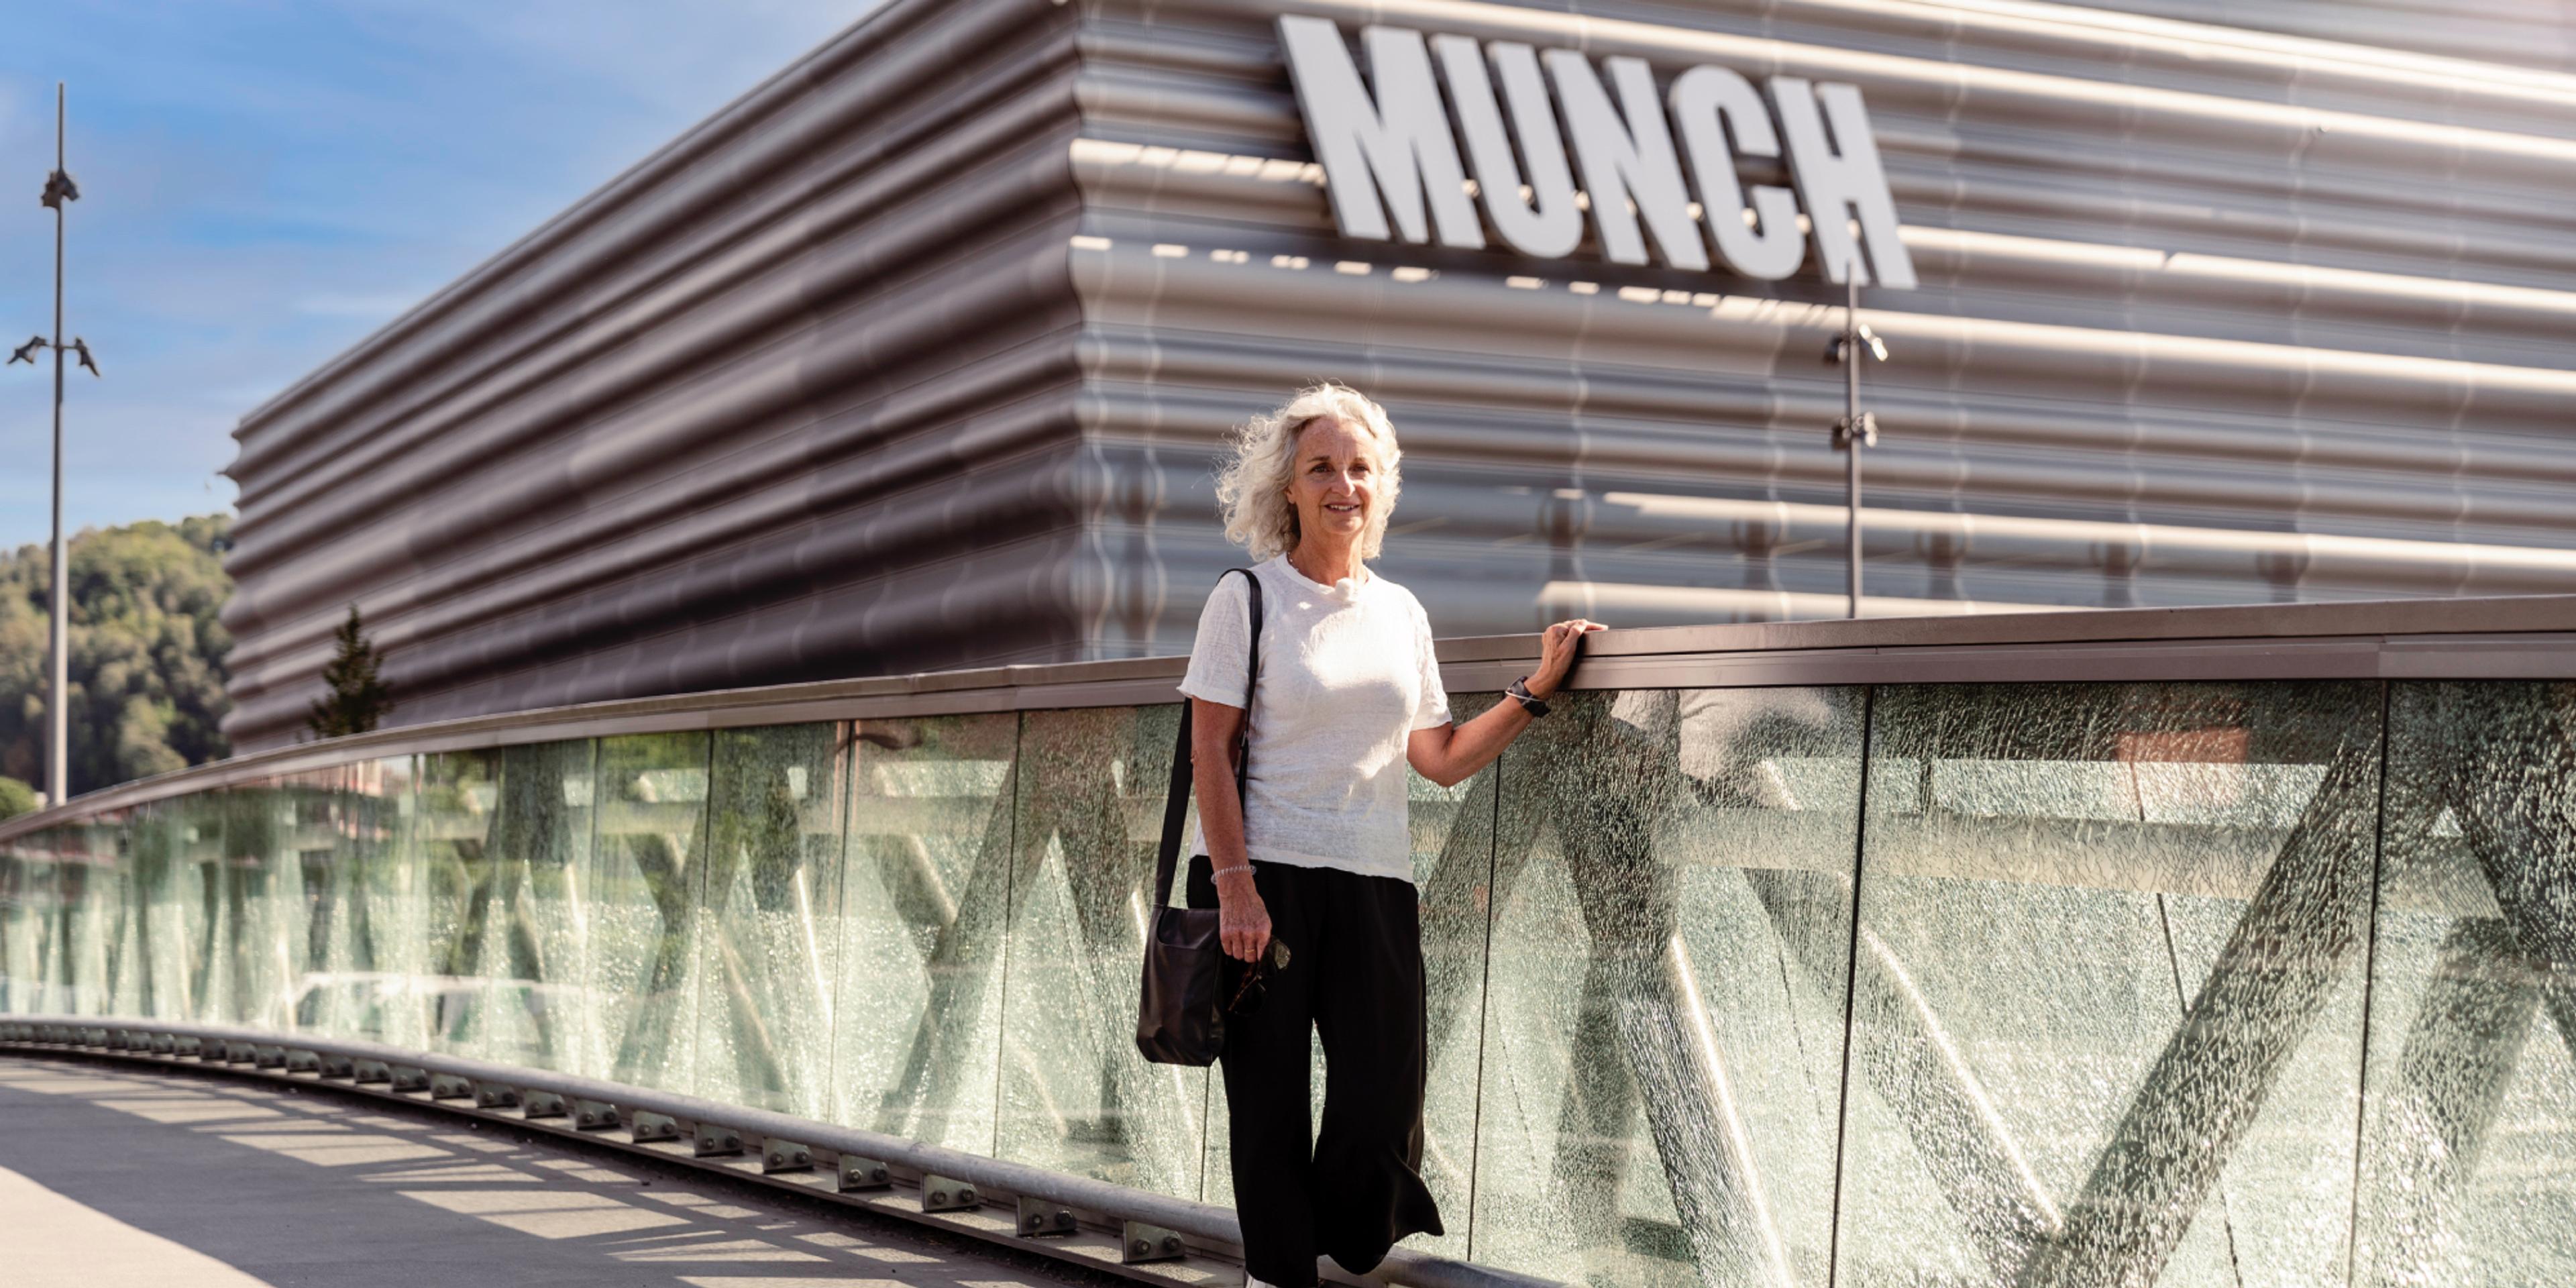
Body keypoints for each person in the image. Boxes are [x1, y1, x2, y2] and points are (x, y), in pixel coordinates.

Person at [1178, 382, 1601, 1288]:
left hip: (1376, 883)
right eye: (1321, 467)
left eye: (1360, 468)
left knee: (1381, 1104)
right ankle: (1278, 1274)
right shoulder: (1247, 599)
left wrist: (1534, 690)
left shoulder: (1401, 612)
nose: (1344, 485)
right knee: (1269, 1105)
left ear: (1383, 486)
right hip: (1271, 880)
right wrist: (1236, 885)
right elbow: (1210, 750)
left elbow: (1439, 759)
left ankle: (1332, 1237)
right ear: (1287, 487)